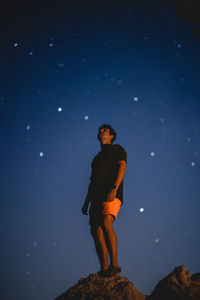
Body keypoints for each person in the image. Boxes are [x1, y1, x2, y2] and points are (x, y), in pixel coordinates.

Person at [82, 124, 127, 277]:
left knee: (106, 222)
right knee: (95, 229)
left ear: (112, 136)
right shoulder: (96, 159)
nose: (101, 131)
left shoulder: (117, 149)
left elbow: (122, 167)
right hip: (96, 196)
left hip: (111, 192)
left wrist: (115, 187)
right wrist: (86, 202)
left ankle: (114, 264)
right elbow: (92, 182)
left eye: (105, 129)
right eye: (100, 129)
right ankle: (104, 267)